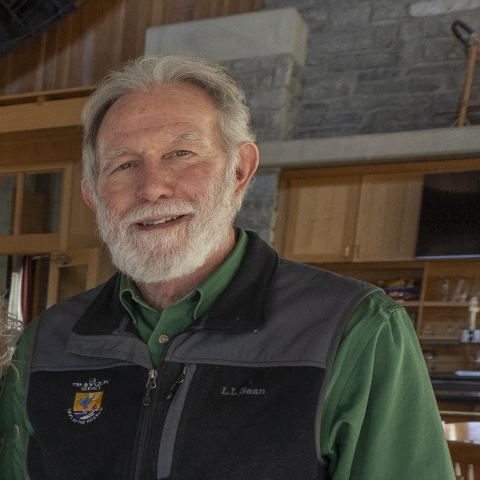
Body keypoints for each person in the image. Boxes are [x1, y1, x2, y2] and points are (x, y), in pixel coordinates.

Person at [0, 54, 455, 480]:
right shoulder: (48, 342)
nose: (153, 187)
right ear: (93, 195)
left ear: (240, 170)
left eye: (182, 153)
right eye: (123, 164)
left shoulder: (356, 329)